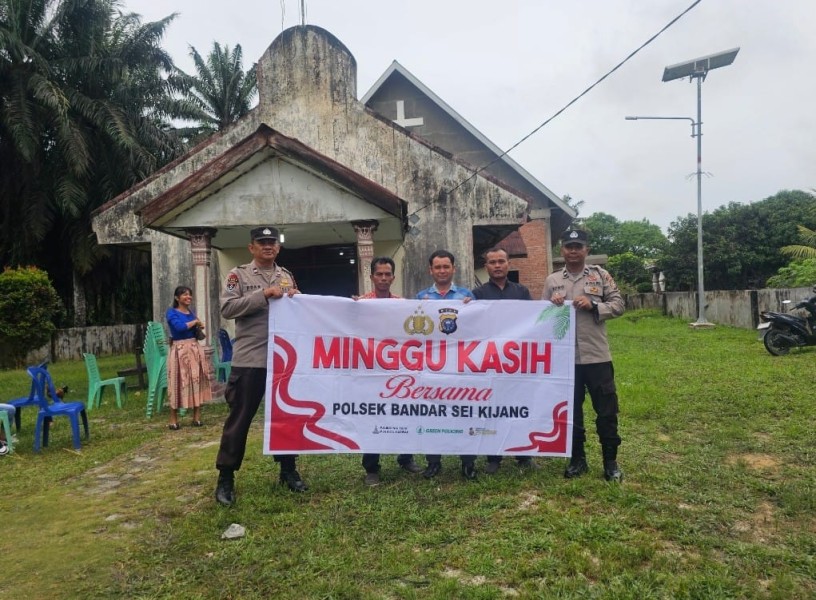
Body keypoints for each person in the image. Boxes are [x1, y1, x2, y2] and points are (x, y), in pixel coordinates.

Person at [214, 226, 306, 507]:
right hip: (250, 359)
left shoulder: (286, 276)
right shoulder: (238, 275)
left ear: (278, 248)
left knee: (287, 416)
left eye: (272, 243)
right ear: (251, 247)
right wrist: (263, 295)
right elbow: (227, 309)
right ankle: (226, 478)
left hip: (283, 361)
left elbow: (298, 309)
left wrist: (299, 299)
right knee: (240, 419)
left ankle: (288, 471)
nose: (268, 246)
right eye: (261, 242)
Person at [542, 229, 625, 482]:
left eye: (579, 246)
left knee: (607, 411)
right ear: (562, 250)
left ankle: (610, 462)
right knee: (571, 412)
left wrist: (595, 306)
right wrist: (552, 306)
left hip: (597, 356)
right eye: (569, 246)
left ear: (587, 250)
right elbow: (541, 318)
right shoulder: (552, 280)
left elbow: (619, 304)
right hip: (566, 360)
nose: (574, 251)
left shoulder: (601, 276)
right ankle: (577, 459)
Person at [355, 256, 423, 486]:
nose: (383, 278)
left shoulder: (403, 305)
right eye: (379, 274)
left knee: (403, 414)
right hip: (371, 371)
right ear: (372, 276)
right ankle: (372, 467)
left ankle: (406, 458)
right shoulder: (360, 304)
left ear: (393, 277)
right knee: (372, 417)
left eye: (387, 274)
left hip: (398, 371)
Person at [472, 247, 537, 474]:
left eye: (501, 261)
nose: (497, 266)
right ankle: (494, 457)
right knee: (492, 409)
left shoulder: (522, 292)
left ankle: (523, 454)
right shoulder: (477, 295)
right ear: (486, 266)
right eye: (492, 262)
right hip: (490, 362)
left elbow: (535, 322)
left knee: (518, 407)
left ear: (508, 263)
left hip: (516, 362)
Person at [416, 250, 478, 480]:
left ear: (453, 268)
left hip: (461, 365)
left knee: (465, 413)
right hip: (432, 366)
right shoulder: (421, 296)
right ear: (430, 270)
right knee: (432, 412)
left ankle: (468, 463)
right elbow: (414, 331)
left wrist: (472, 308)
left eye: (446, 267)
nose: (442, 271)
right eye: (437, 267)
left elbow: (480, 327)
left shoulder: (467, 295)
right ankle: (433, 462)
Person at [165, 286, 213, 430]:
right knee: (177, 381)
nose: (188, 297)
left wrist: (198, 325)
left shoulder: (191, 313)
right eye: (185, 294)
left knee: (196, 380)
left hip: (194, 349)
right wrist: (195, 322)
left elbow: (194, 327)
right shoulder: (171, 312)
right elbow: (179, 328)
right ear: (177, 298)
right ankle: (173, 419)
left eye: (190, 295)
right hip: (179, 351)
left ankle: (197, 417)